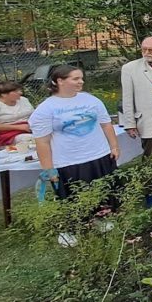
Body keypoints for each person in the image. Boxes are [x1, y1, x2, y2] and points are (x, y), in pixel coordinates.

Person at [31, 66, 120, 227]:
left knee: (104, 191)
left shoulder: (90, 100)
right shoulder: (46, 109)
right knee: (73, 197)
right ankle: (73, 228)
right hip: (69, 161)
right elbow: (42, 142)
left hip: (98, 155)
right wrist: (49, 169)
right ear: (60, 81)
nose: (81, 82)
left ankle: (102, 220)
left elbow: (106, 124)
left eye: (81, 78)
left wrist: (114, 146)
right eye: (76, 79)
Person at [0, 81, 34, 148]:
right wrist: (19, 127)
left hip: (26, 129)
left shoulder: (24, 100)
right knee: (31, 138)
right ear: (4, 94)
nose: (20, 93)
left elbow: (34, 115)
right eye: (16, 91)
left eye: (20, 90)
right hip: (1, 135)